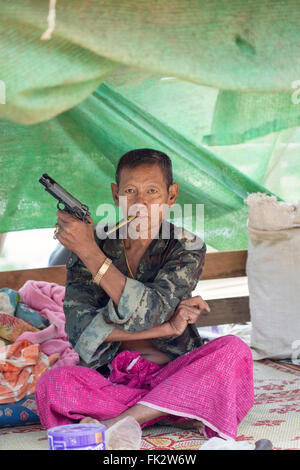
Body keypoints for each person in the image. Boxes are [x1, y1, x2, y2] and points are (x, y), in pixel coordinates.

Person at [35, 148, 254, 440]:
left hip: (174, 371)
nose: (140, 203)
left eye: (152, 191)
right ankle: (172, 408)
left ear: (171, 195)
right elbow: (80, 331)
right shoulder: (92, 243)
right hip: (114, 379)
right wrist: (168, 327)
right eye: (130, 191)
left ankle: (121, 420)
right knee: (53, 384)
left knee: (233, 351)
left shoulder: (186, 247)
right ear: (116, 195)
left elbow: (150, 311)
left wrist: (90, 253)